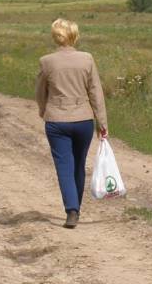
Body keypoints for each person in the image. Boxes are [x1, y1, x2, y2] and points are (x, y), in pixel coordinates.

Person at [36, 18, 108, 229]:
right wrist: (101, 122)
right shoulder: (87, 59)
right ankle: (75, 208)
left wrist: (43, 110)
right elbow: (96, 92)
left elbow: (40, 92)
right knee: (78, 164)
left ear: (55, 36)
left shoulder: (46, 61)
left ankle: (72, 210)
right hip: (83, 119)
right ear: (74, 36)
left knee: (64, 166)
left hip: (57, 120)